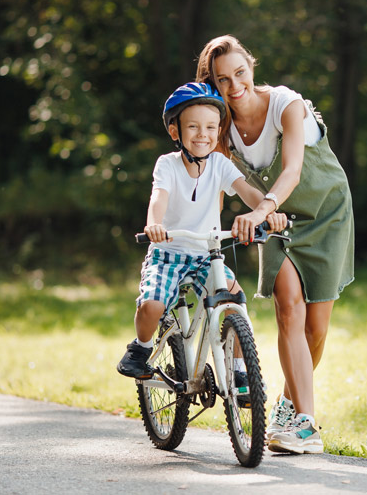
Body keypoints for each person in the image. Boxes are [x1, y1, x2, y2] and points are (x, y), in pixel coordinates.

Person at [196, 35, 355, 455]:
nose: (234, 86)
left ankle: (287, 405)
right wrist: (209, 235)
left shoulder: (287, 104)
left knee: (316, 329)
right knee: (288, 309)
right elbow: (219, 182)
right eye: (222, 80)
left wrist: (262, 207)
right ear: (212, 83)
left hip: (326, 213)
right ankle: (306, 424)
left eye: (240, 73)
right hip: (276, 222)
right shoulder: (220, 128)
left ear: (251, 65)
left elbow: (293, 171)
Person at [117, 81, 286, 380]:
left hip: (207, 255)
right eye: (193, 127)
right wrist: (153, 224)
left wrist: (268, 210)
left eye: (210, 127)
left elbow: (247, 192)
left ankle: (237, 372)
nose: (203, 135)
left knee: (234, 303)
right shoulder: (167, 165)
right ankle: (141, 348)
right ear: (175, 132)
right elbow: (159, 197)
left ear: (218, 130)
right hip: (168, 252)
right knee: (152, 306)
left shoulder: (220, 164)